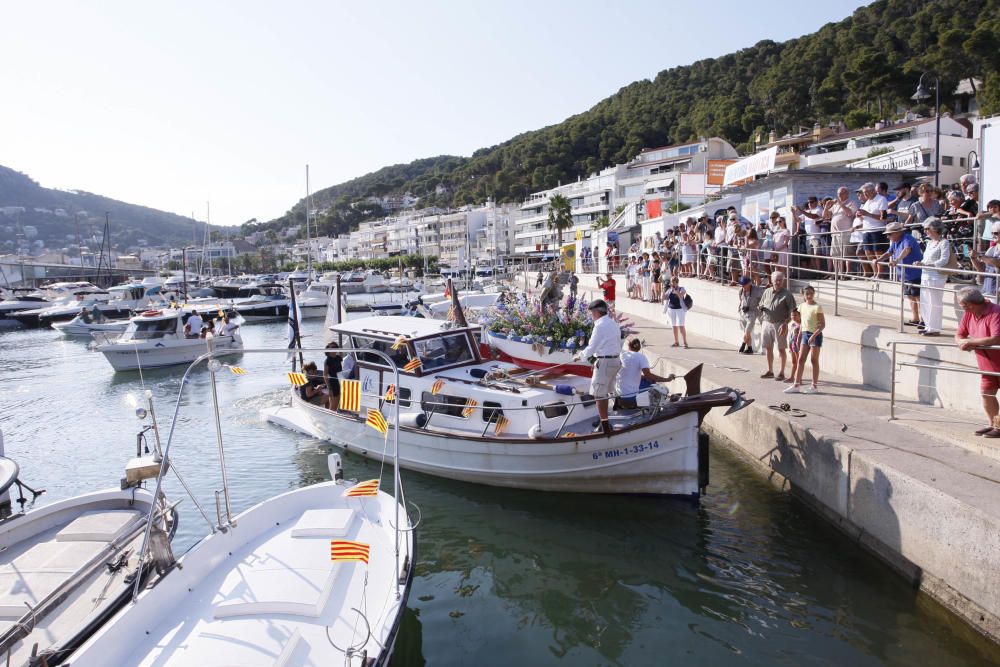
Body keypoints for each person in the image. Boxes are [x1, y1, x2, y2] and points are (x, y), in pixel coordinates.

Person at [955, 287, 1000, 436]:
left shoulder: (995, 312)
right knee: (987, 394)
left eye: (960, 304)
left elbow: (996, 338)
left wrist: (971, 342)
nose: (959, 306)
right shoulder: (969, 314)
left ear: (970, 304)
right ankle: (993, 425)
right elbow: (959, 334)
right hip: (986, 365)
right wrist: (962, 342)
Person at [573, 299, 621, 436]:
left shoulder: (599, 325)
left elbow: (592, 346)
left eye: (591, 313)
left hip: (605, 362)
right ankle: (603, 421)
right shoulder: (613, 323)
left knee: (598, 395)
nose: (591, 316)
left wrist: (580, 356)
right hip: (615, 361)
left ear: (596, 312)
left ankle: (605, 427)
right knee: (604, 393)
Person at [872, 222, 923, 326]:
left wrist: (896, 260)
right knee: (910, 296)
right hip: (905, 275)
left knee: (918, 297)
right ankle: (915, 319)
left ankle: (923, 320)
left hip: (915, 273)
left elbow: (907, 250)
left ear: (898, 232)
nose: (888, 236)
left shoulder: (907, 238)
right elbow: (889, 252)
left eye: (890, 234)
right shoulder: (896, 241)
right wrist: (878, 259)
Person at [913, 217, 951, 336]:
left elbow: (944, 260)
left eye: (927, 229)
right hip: (925, 274)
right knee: (925, 301)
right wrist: (920, 263)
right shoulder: (929, 243)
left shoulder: (944, 242)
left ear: (934, 229)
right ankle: (928, 326)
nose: (925, 231)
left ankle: (934, 328)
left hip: (936, 276)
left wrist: (927, 264)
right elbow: (925, 258)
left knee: (935, 302)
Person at [785, 286, 825, 394]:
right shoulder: (801, 306)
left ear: (814, 293)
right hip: (805, 334)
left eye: (811, 293)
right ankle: (796, 385)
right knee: (801, 359)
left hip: (815, 335)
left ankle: (814, 386)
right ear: (803, 294)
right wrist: (799, 336)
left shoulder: (817, 307)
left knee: (814, 360)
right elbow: (803, 322)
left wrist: (814, 335)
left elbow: (822, 325)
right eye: (807, 293)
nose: (809, 295)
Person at [615, 337, 675, 409]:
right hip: (631, 397)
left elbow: (627, 373)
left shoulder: (622, 355)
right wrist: (667, 379)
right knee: (652, 384)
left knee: (645, 380)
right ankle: (654, 406)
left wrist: (644, 377)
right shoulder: (641, 357)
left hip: (619, 395)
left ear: (628, 346)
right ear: (639, 347)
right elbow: (648, 375)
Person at [758, 271, 797, 381]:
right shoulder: (767, 291)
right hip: (766, 323)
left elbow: (793, 311)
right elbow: (761, 303)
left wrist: (785, 323)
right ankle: (770, 371)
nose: (778, 282)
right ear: (772, 280)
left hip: (780, 324)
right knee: (768, 348)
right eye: (776, 280)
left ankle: (781, 372)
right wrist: (760, 307)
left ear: (783, 281)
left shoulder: (787, 294)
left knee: (781, 349)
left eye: (780, 280)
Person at [856, 182, 889, 279]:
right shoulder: (867, 202)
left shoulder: (881, 199)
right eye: (864, 193)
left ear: (873, 191)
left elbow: (884, 218)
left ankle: (880, 274)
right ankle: (875, 273)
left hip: (877, 230)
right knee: (868, 253)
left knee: (878, 253)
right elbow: (865, 216)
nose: (865, 194)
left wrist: (867, 214)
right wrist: (860, 215)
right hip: (867, 230)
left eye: (866, 192)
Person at [737, 276, 763, 354]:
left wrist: (761, 306)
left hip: (753, 312)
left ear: (749, 283)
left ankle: (743, 344)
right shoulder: (741, 290)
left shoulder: (757, 290)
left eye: (745, 284)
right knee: (746, 331)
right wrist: (739, 307)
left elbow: (764, 298)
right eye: (742, 285)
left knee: (747, 331)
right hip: (743, 312)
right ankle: (749, 348)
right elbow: (741, 299)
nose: (743, 286)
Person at [663, 276, 689, 348]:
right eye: (671, 282)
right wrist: (664, 291)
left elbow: (681, 295)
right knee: (674, 326)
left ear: (677, 282)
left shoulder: (681, 288)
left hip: (680, 310)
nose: (672, 284)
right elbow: (664, 297)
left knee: (681, 326)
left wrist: (676, 291)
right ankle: (676, 342)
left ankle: (685, 342)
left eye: (673, 282)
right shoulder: (669, 289)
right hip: (671, 309)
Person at [323, 342, 343, 410]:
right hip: (333, 384)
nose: (333, 349)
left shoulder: (338, 358)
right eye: (331, 347)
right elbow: (325, 375)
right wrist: (329, 388)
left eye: (335, 347)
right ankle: (329, 420)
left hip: (339, 382)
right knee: (333, 406)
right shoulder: (327, 360)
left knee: (337, 405)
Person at [785, 309, 802, 385]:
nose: (793, 317)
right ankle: (792, 377)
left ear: (799, 316)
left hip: (798, 345)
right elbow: (789, 335)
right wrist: (789, 344)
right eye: (792, 315)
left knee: (799, 362)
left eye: (795, 315)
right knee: (794, 361)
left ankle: (799, 379)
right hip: (792, 344)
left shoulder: (802, 324)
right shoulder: (792, 324)